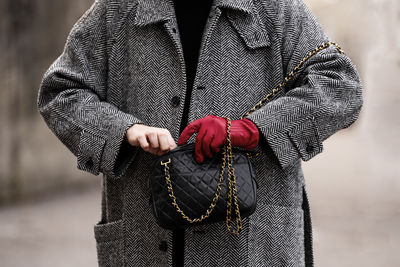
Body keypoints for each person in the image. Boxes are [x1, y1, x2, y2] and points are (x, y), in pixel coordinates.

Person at [36, 0, 363, 266]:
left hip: (249, 246)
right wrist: (124, 131)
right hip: (146, 242)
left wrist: (253, 130)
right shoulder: (119, 9)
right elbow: (61, 90)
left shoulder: (274, 8)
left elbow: (340, 84)